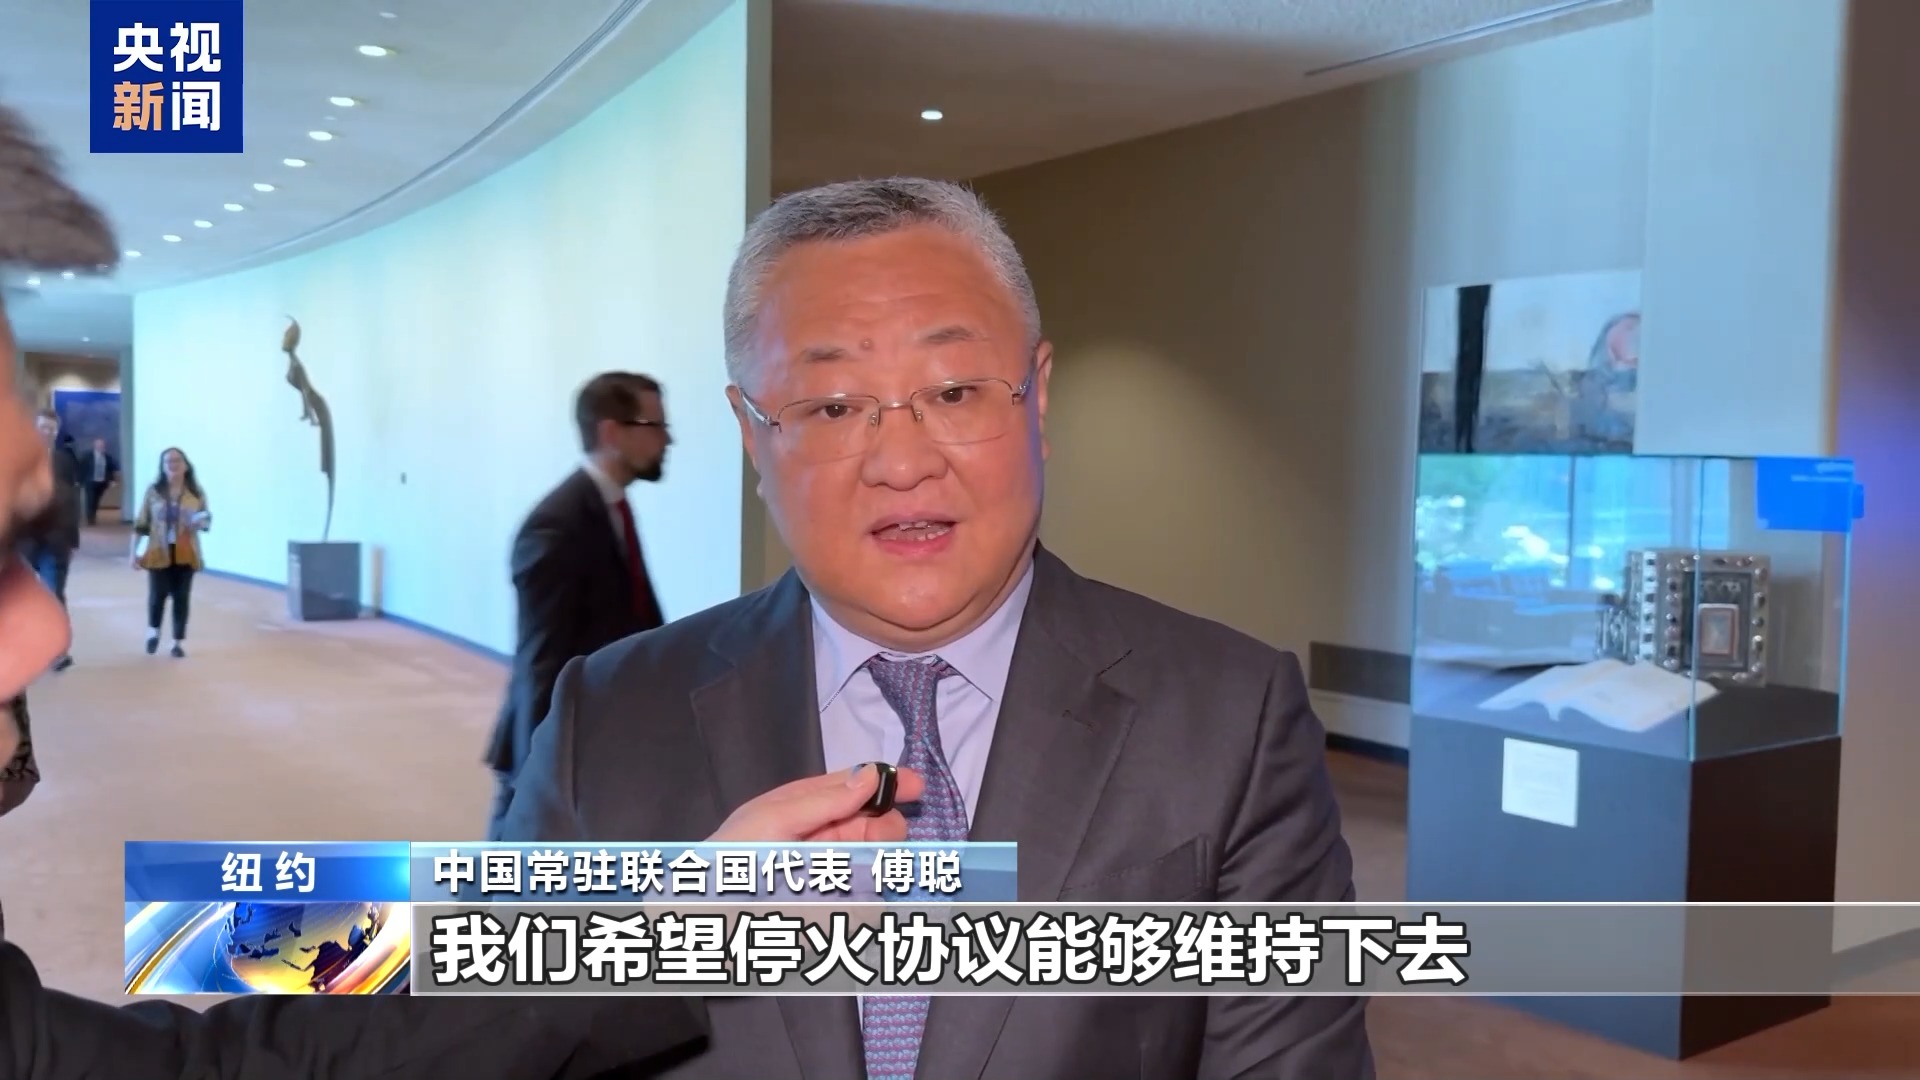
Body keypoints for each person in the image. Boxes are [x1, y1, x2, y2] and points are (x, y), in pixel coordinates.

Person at [500, 178, 1376, 1078]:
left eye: (954, 392)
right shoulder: (607, 717)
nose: (904, 463)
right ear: (753, 436)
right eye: (833, 407)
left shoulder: (1232, 716)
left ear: (1037, 397)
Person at [484, 372, 672, 834]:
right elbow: (543, 657)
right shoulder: (556, 526)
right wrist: (538, 766)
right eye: (654, 425)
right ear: (611, 433)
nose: (667, 440)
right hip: (559, 742)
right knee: (516, 855)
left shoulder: (608, 508)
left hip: (604, 733)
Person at [15, 411, 79, 673]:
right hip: (22, 541)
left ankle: (57, 652)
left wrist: (73, 539)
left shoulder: (64, 461)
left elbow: (73, 501)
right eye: (43, 427)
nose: (47, 433)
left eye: (52, 429)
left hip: (56, 541)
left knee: (53, 594)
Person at [130, 448, 209, 658]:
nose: (173, 464)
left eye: (177, 460)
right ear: (163, 467)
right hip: (158, 551)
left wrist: (201, 523)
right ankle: (153, 632)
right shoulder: (154, 491)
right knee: (157, 595)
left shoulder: (196, 493)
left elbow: (206, 519)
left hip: (186, 552)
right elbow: (141, 523)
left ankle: (177, 642)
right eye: (168, 461)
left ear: (186, 465)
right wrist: (133, 552)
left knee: (182, 597)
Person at [75, 438, 117, 526]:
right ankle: (90, 518)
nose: (101, 447)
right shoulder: (87, 456)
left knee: (96, 500)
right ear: (95, 446)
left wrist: (112, 480)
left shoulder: (107, 457)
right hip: (90, 482)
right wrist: (78, 480)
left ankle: (93, 515)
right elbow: (80, 468)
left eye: (102, 445)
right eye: (99, 445)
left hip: (102, 482)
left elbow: (110, 470)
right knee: (90, 499)